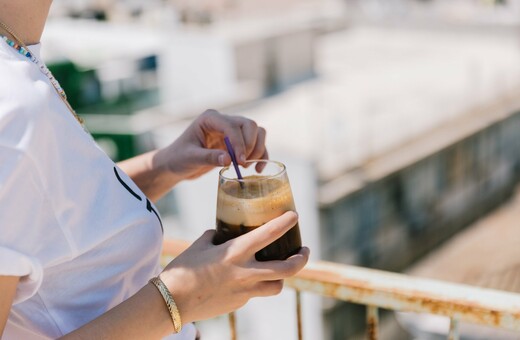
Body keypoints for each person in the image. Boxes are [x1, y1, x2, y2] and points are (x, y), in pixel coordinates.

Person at [0, 1, 310, 339]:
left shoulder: (17, 58)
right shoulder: (11, 102)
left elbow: (46, 216)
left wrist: (166, 165)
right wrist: (179, 296)